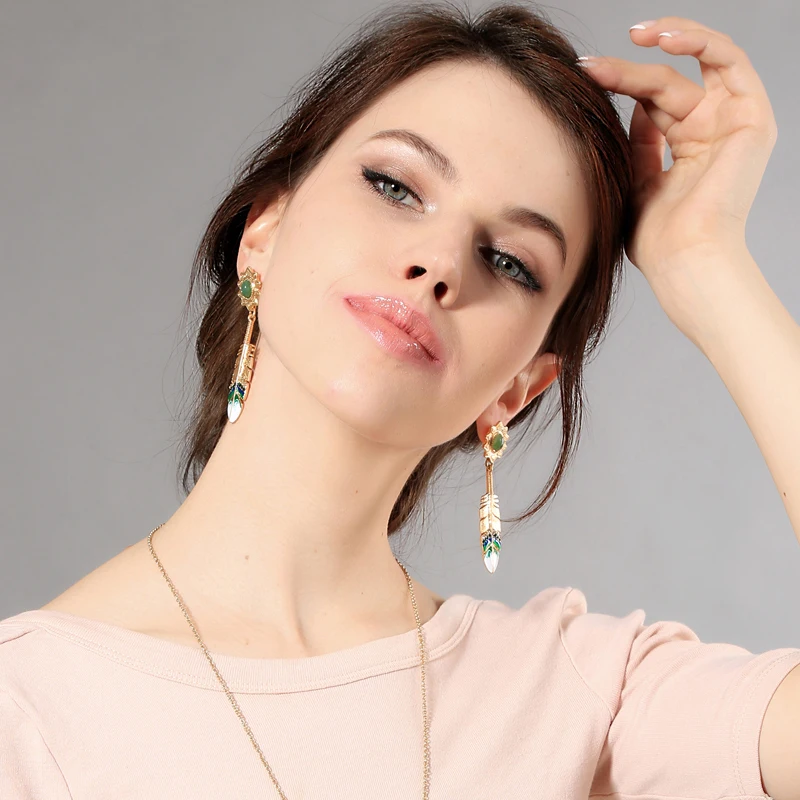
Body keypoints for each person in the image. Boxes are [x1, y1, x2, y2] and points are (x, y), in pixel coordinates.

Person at [2, 2, 799, 798]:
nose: (441, 261)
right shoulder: (28, 712)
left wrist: (705, 263)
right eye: (394, 186)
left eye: (511, 261)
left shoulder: (579, 696)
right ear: (264, 230)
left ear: (517, 389)